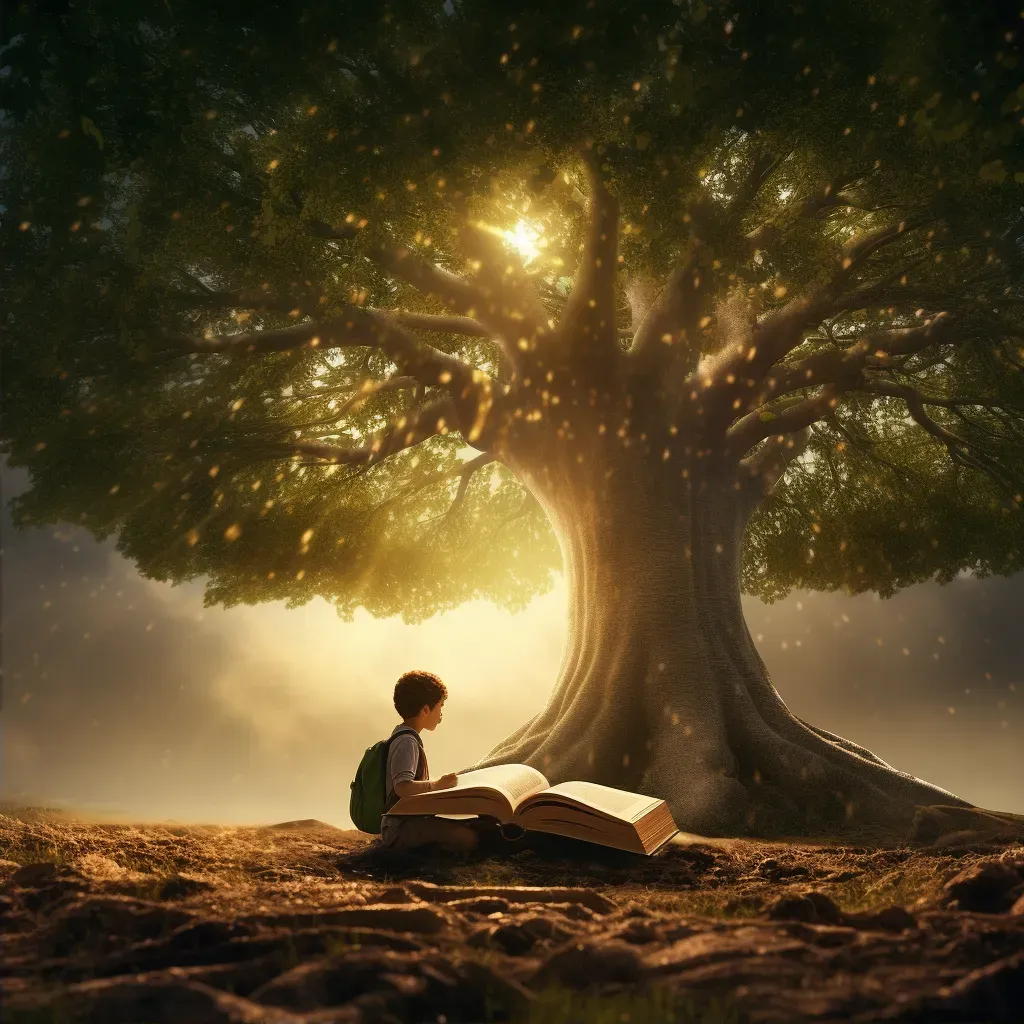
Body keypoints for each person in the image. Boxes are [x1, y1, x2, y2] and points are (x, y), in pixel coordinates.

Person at [380, 669, 486, 855]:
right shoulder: (407, 742)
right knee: (468, 838)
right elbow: (402, 787)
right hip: (400, 829)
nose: (441, 715)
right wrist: (438, 785)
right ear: (425, 710)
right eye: (440, 707)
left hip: (407, 822)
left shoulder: (404, 737)